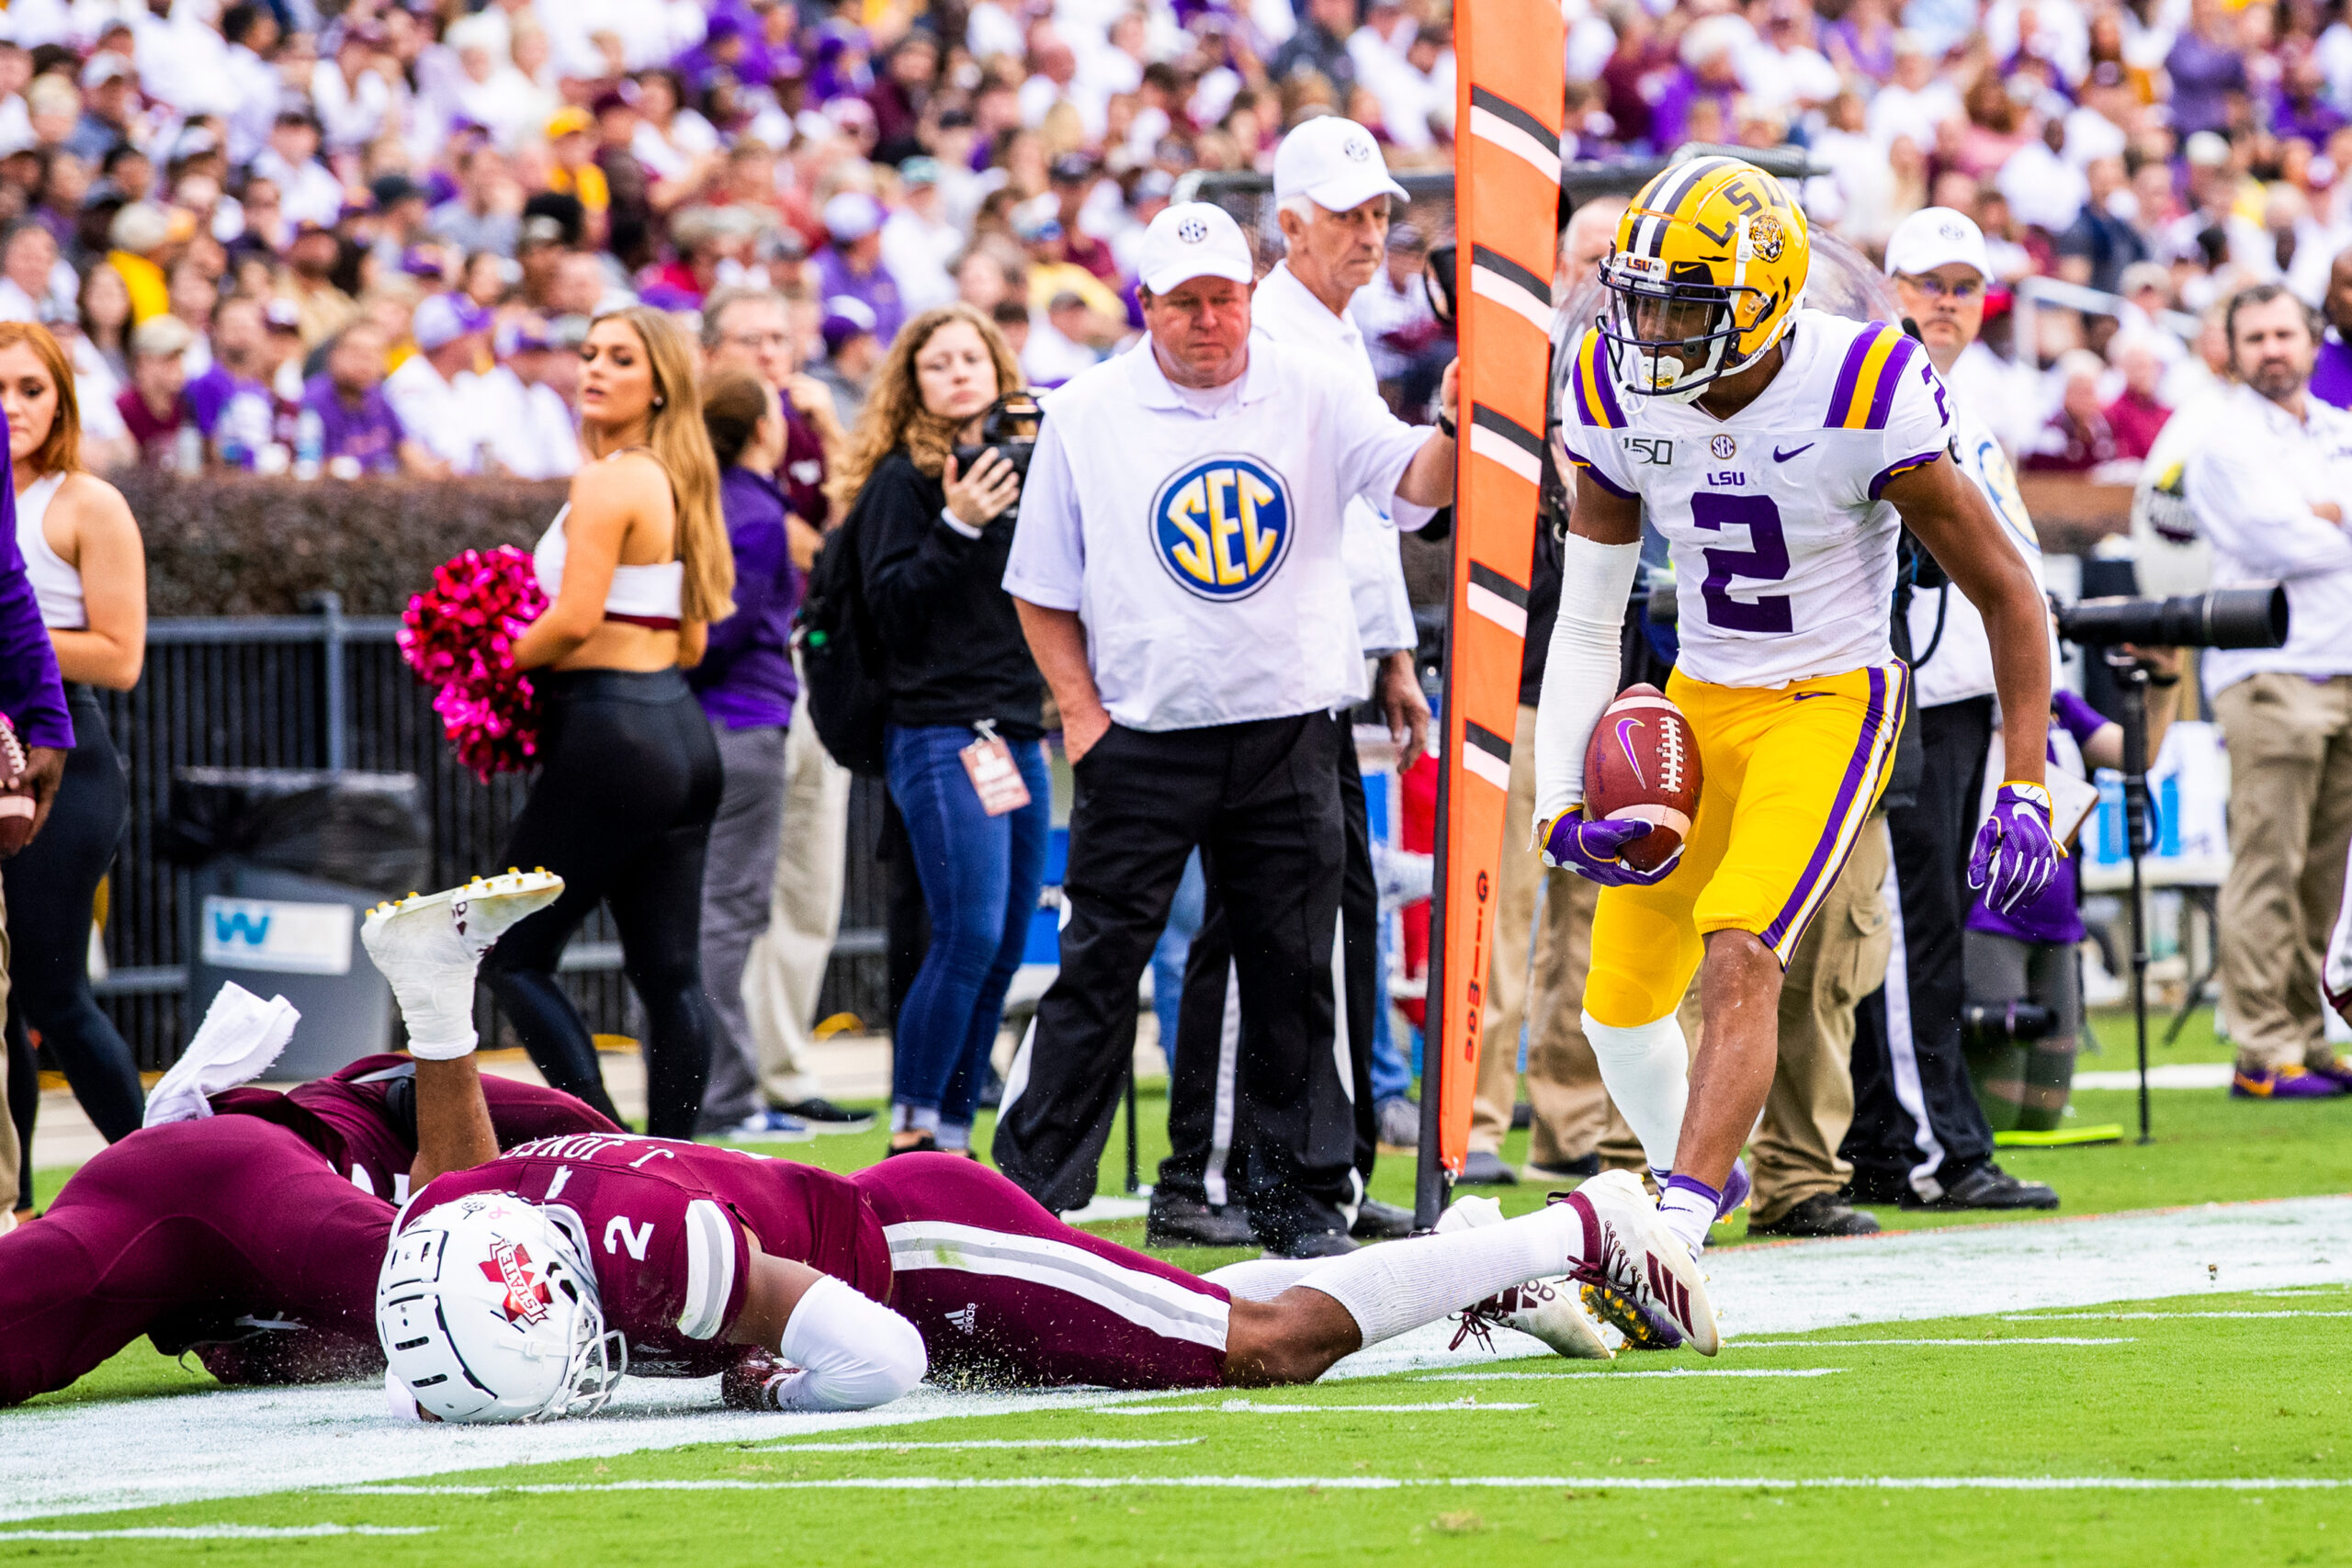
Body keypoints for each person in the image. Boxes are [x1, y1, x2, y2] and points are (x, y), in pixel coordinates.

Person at [368, 874, 1707, 1426]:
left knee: (1263, 1342)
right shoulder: (466, 1214)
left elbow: (878, 1358)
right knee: (1233, 1316)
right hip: (892, 1250)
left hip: (928, 1252)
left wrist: (761, 1383)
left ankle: (1583, 1224)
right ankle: (1477, 1270)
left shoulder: (657, 1254)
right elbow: (446, 1179)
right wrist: (438, 1013)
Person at [1536, 161, 2052, 1328]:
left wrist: (2023, 781)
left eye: (1683, 303)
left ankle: (1670, 1235)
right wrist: (1559, 799)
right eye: (1641, 299)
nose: (1650, 331)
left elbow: (2009, 595)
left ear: (1766, 295)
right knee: (1615, 1005)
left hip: (1832, 694)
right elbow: (1586, 611)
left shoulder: (1866, 379)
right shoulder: (1611, 380)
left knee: (1741, 950)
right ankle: (1687, 1198)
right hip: (1698, 694)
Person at [993, 203, 1460, 1256]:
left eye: (1225, 300)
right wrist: (1083, 717)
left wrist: (1455, 424)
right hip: (1145, 734)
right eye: (1185, 304)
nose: (1209, 322)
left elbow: (1416, 486)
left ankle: (1294, 1200)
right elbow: (1039, 587)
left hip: (1289, 721)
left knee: (1296, 970)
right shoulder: (1087, 412)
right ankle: (1029, 1199)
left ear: (1251, 296)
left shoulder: (1314, 384)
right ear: (1145, 307)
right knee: (1100, 967)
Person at [1153, 118, 1425, 1247]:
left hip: (1325, 666)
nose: (1371, 234)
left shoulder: (1329, 332)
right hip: (1260, 677)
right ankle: (1209, 1177)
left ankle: (1325, 1175)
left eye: (1378, 215)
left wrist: (1392, 652)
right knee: (1250, 929)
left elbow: (1363, 521)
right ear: (1292, 222)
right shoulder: (1269, 334)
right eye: (1348, 215)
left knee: (1333, 931)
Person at [0, 938, 620, 1405]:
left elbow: (297, 1349)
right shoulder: (410, 1105)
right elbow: (601, 1162)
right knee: (478, 1303)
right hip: (235, 1168)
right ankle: (437, 992)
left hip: (163, 1200)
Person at [1839, 208, 2058, 1213]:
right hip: (1909, 689)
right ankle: (1926, 1146)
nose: (1946, 303)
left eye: (1964, 287)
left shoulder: (1961, 405)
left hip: (1968, 691)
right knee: (1909, 925)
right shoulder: (1879, 397)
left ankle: (1920, 1134)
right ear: (1887, 290)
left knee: (1936, 926)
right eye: (1928, 282)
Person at [481, 306, 730, 1138]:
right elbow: (693, 634)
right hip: (682, 735)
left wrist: (488, 659)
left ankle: (612, 1149)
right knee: (670, 974)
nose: (594, 368)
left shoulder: (610, 478)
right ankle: (676, 1163)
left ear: (660, 382)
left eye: (620, 358)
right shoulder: (681, 478)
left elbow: (574, 619)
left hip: (613, 732)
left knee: (511, 953)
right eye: (588, 352)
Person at [699, 286, 871, 1134]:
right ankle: (736, 1074)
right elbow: (791, 542)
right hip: (747, 674)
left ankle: (785, 1063)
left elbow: (849, 535)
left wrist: (831, 433)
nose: (773, 353)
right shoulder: (710, 445)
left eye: (782, 337)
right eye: (751, 338)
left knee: (811, 875)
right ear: (713, 352)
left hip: (812, 656)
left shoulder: (806, 424)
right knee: (737, 892)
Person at [2182, 284, 2352, 1099]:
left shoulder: (2339, 432)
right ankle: (2261, 1048)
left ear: (2313, 339)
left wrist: (2325, 516)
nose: (2272, 349)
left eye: (2284, 332)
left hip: (2344, 667)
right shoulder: (2220, 439)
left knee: (2325, 878)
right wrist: (2326, 524)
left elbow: (2305, 532)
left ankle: (2310, 1037)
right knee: (2267, 865)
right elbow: (2269, 534)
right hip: (2270, 669)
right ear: (2233, 350)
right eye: (2255, 337)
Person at [0, 321, 144, 1202]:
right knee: (2, 999)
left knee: (52, 988)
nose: (10, 407)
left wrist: (16, 647)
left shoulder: (87, 502)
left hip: (65, 751)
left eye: (28, 388)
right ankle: (18, 1204)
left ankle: (172, 1176)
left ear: (61, 400)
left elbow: (121, 654)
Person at [688, 369, 811, 1143]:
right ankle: (725, 1095)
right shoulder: (757, 513)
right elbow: (721, 629)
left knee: (699, 913)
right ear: (761, 430)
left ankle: (703, 1085)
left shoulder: (706, 500)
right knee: (727, 914)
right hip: (743, 723)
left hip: (705, 723)